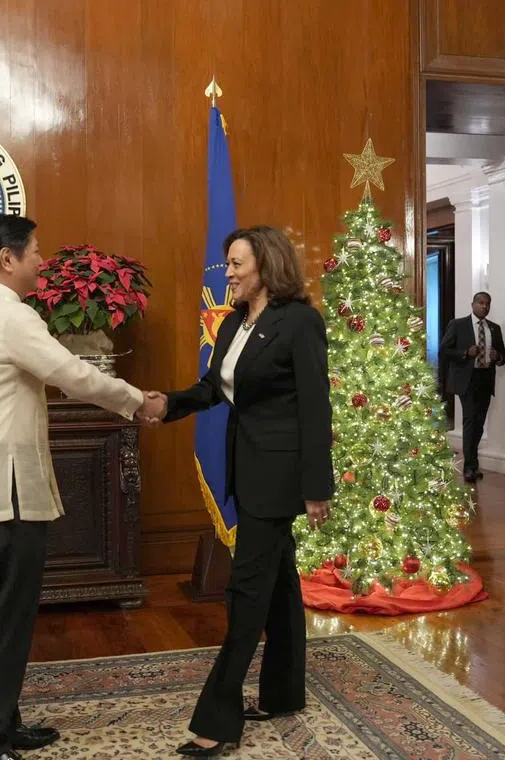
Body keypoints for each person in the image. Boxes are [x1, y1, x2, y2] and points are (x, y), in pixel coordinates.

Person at [0, 214, 165, 760]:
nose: (42, 259)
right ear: (7, 259)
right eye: (34, 250)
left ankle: (3, 724)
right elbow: (72, 374)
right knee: (4, 619)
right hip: (8, 490)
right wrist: (139, 402)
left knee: (3, 612)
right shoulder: (12, 319)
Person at [144, 225, 334, 757]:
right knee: (279, 583)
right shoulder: (231, 323)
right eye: (227, 264)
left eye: (235, 264)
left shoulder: (299, 323)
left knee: (246, 592)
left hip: (278, 478)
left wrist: (317, 487)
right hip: (245, 469)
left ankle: (219, 718)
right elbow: (213, 388)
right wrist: (168, 404)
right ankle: (282, 693)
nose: (226, 273)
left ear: (265, 266)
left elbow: (315, 409)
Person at [439, 291, 505, 483]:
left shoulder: (495, 329)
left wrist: (498, 357)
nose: (484, 307)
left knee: (479, 423)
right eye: (481, 303)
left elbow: (503, 356)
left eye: (487, 304)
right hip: (466, 380)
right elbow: (444, 350)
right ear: (473, 304)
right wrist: (465, 353)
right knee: (470, 421)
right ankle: (469, 466)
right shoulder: (458, 324)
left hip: (485, 379)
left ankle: (473, 463)